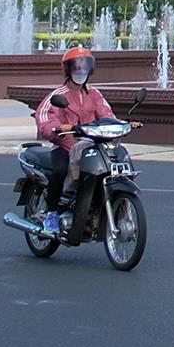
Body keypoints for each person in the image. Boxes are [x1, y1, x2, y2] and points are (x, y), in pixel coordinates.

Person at [31, 48, 117, 238]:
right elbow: (44, 116)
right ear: (67, 69)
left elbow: (107, 114)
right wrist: (58, 127)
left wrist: (121, 124)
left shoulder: (94, 94)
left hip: (90, 145)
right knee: (60, 171)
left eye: (84, 66)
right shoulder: (58, 94)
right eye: (76, 67)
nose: (81, 70)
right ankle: (52, 214)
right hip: (65, 145)